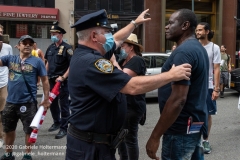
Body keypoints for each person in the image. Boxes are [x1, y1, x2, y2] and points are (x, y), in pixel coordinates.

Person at [67, 9, 191, 160]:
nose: (110, 37)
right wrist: (170, 75)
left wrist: (134, 23)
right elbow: (132, 86)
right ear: (94, 36)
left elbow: (117, 39)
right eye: (106, 33)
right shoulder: (91, 62)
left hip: (96, 143)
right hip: (90, 147)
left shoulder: (87, 52)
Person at [146, 9, 209, 160]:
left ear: (185, 25)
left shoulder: (184, 52)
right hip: (193, 125)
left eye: (170, 23)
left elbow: (178, 100)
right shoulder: (198, 48)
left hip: (179, 130)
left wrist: (155, 137)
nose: (166, 27)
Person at [0, 35, 50, 160]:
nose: (27, 45)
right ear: (18, 46)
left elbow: (45, 80)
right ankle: (8, 154)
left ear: (33, 45)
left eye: (30, 43)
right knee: (8, 129)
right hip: (10, 102)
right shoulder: (10, 59)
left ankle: (27, 154)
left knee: (29, 131)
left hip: (28, 102)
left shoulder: (37, 61)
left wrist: (46, 99)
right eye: (24, 43)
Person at [117, 33, 146, 160]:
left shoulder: (137, 60)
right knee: (120, 138)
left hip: (132, 106)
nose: (121, 49)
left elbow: (121, 77)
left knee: (130, 138)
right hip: (121, 105)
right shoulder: (122, 61)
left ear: (131, 47)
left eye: (123, 46)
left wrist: (112, 62)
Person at [195, 22, 221, 154]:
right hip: (194, 86)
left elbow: (216, 69)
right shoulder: (194, 46)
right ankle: (195, 140)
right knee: (194, 113)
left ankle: (205, 140)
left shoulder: (214, 48)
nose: (197, 32)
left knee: (207, 114)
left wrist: (216, 89)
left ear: (207, 31)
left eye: (200, 30)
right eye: (197, 30)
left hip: (209, 86)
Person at [44, 22, 73, 139]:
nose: (52, 35)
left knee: (64, 105)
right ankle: (57, 122)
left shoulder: (67, 48)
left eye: (54, 33)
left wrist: (63, 77)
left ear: (60, 35)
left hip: (62, 81)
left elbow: (72, 65)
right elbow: (47, 63)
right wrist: (44, 75)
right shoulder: (50, 47)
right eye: (51, 33)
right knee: (52, 104)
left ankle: (64, 128)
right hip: (51, 80)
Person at [0, 24, 13, 149]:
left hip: (3, 83)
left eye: (2, 31)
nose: (1, 34)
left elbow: (11, 64)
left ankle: (1, 136)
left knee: (2, 112)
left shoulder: (8, 47)